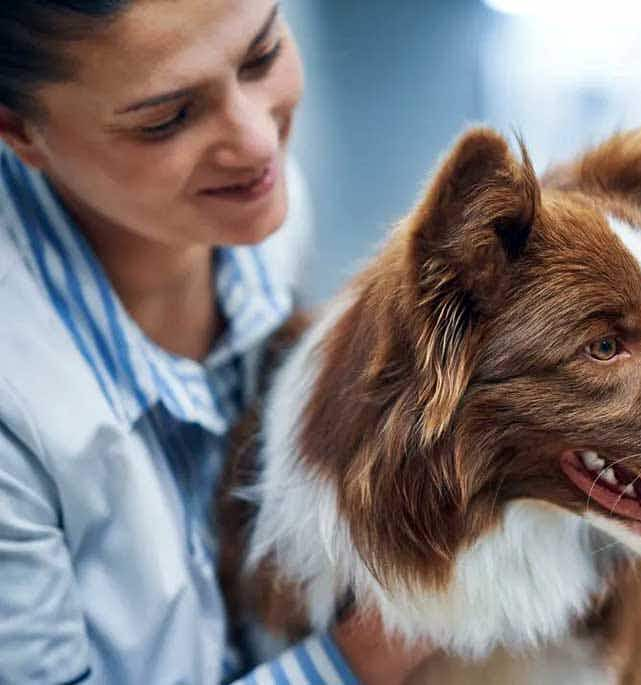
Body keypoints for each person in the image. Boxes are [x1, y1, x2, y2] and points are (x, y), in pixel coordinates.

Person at [0, 1, 431, 683]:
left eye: (261, 56)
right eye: (167, 118)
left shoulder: (265, 218)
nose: (259, 143)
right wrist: (361, 657)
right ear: (20, 130)